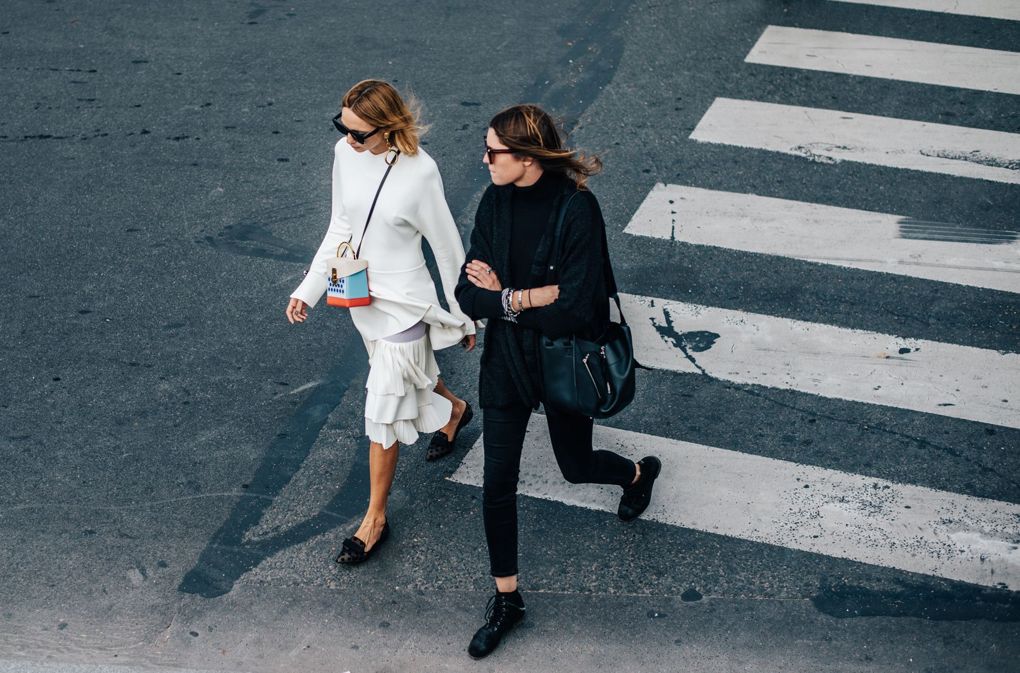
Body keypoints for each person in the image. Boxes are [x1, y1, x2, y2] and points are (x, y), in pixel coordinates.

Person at [455, 104, 661, 658]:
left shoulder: (577, 209)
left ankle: (637, 474)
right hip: (506, 365)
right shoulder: (495, 203)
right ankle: (507, 599)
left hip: (562, 360)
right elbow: (466, 293)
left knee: (574, 467)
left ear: (526, 157)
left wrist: (507, 298)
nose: (485, 159)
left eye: (493, 151)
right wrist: (525, 298)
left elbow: (574, 309)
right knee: (496, 483)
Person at [286, 79, 476, 565]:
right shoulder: (344, 154)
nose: (349, 140)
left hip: (405, 304)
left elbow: (447, 247)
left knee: (383, 412)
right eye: (342, 128)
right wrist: (308, 289)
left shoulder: (421, 173)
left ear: (388, 128)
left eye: (359, 134)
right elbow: (341, 226)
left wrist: (465, 314)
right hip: (361, 298)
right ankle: (453, 410)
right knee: (404, 383)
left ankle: (374, 519)